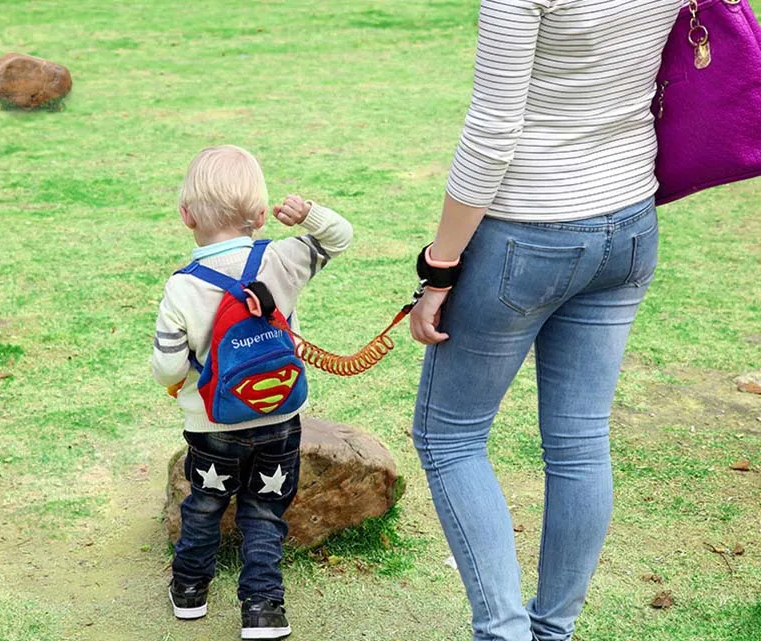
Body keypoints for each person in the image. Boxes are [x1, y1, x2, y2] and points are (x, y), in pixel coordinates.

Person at [409, 2, 681, 640]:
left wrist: (441, 265)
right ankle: (552, 631)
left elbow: (494, 129)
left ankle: (504, 633)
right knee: (580, 439)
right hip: (630, 220)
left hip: (529, 227)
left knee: (450, 438)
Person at [152, 145, 352, 640]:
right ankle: (263, 610)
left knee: (204, 504)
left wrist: (179, 386)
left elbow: (167, 365)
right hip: (280, 419)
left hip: (212, 426)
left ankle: (190, 591)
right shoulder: (283, 258)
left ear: (185, 216)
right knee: (266, 509)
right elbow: (341, 237)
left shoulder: (182, 287)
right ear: (262, 215)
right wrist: (309, 215)